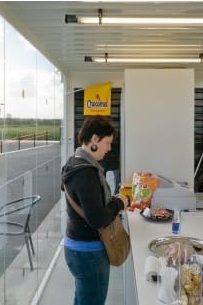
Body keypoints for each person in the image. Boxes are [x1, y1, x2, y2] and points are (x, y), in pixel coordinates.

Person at [61, 116, 129, 305]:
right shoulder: (86, 173)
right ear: (94, 140)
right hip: (88, 253)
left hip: (76, 247)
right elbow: (97, 219)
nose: (109, 148)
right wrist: (119, 203)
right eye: (107, 143)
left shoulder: (73, 163)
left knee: (83, 300)